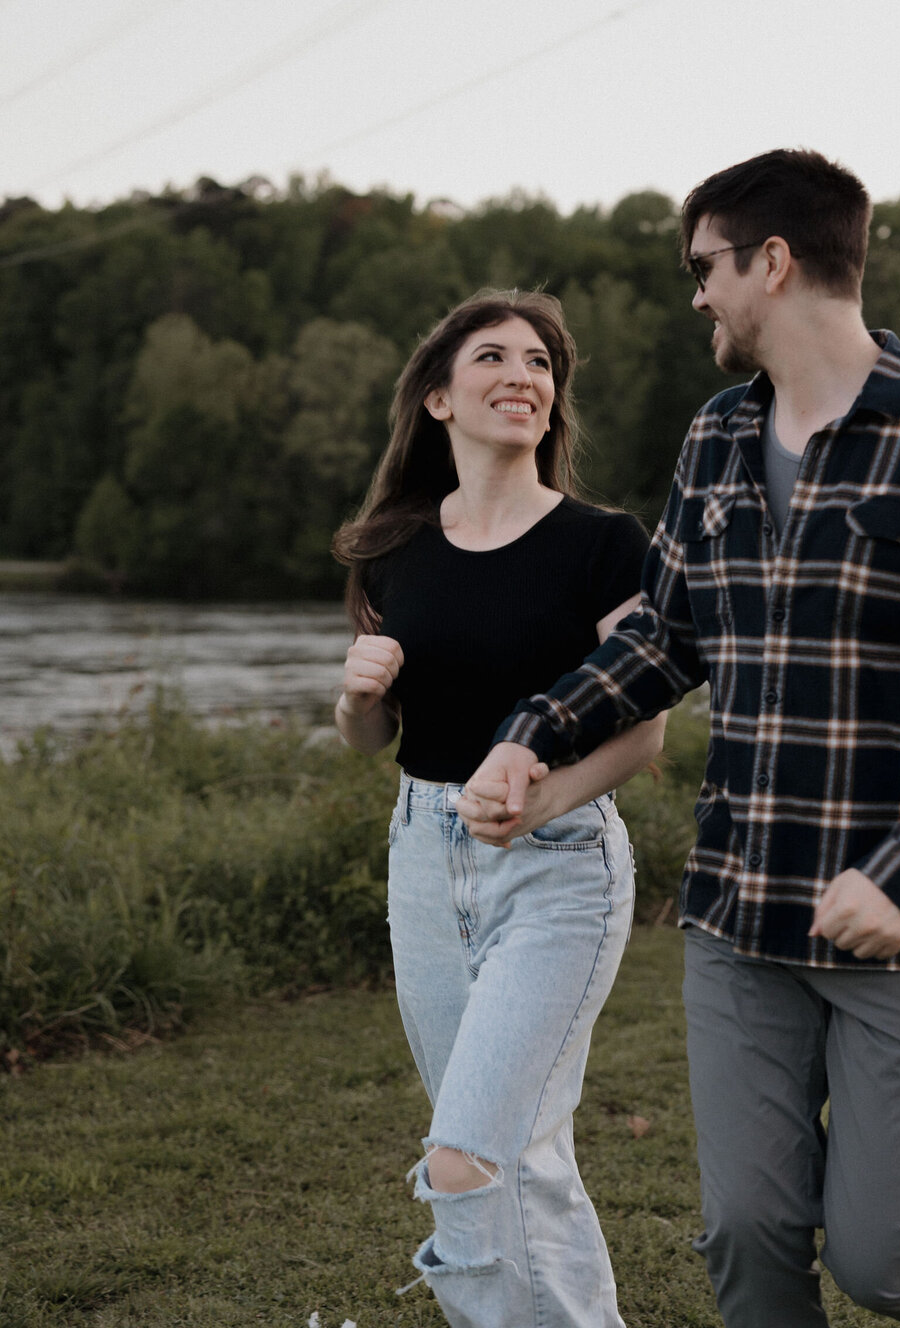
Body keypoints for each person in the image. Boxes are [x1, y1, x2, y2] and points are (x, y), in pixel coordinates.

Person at [460, 151, 900, 1328]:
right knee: (748, 1236)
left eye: (706, 268)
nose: (698, 295)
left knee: (892, 1257)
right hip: (742, 910)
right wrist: (527, 734)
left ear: (772, 263)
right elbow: (665, 642)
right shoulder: (717, 440)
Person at [332, 289, 664, 1327]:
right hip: (423, 862)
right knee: (523, 1150)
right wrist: (353, 697)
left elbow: (645, 732)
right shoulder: (392, 550)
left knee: (466, 1154)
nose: (523, 374)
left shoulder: (605, 545)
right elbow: (371, 742)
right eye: (493, 356)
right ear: (438, 397)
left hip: (559, 865)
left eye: (540, 362)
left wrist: (539, 799)